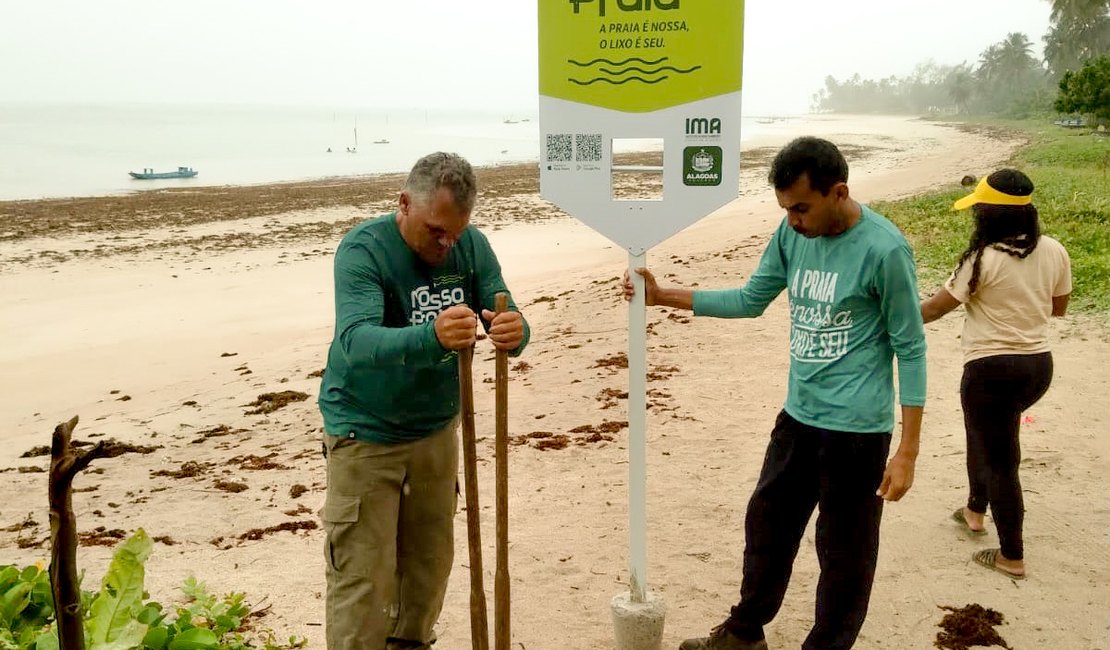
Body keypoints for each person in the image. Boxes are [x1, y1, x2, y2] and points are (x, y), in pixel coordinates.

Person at [623, 136, 926, 650]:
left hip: (858, 433)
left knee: (844, 554)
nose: (793, 220)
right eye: (785, 208)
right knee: (767, 525)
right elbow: (749, 299)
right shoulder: (792, 236)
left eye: (802, 208)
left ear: (839, 191)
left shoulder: (885, 249)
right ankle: (745, 633)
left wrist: (908, 451)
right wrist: (662, 296)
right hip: (799, 416)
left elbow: (911, 348)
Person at [317, 152, 530, 650]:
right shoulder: (363, 249)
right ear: (403, 203)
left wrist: (514, 329)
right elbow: (356, 341)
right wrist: (431, 336)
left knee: (428, 573)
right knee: (362, 581)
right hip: (365, 434)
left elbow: (503, 306)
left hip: (436, 432)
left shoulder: (470, 247)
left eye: (456, 231)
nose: (447, 243)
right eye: (436, 230)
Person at [920, 169, 1071, 580]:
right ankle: (973, 509)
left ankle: (1011, 556)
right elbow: (1059, 308)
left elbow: (933, 310)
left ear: (987, 215)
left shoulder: (981, 259)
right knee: (985, 436)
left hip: (990, 371)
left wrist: (890, 316)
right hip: (1037, 367)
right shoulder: (1055, 250)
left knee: (1002, 459)